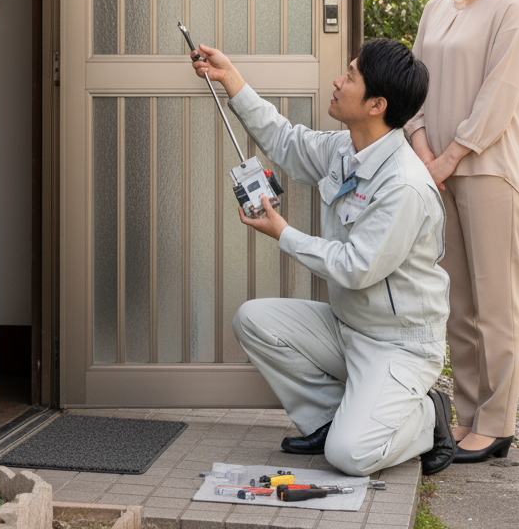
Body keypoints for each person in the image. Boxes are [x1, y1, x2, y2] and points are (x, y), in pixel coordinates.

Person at [189, 38, 457, 478]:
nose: (337, 81)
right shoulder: (344, 149)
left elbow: (355, 267)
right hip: (347, 328)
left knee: (351, 456)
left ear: (376, 105)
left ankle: (429, 415)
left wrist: (283, 233)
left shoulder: (405, 185)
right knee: (253, 320)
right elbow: (284, 140)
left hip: (397, 345)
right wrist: (228, 76)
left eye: (350, 77)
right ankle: (330, 419)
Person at [406, 0, 519, 463]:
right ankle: (466, 416)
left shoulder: (511, 9)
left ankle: (497, 422)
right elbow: (413, 85)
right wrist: (421, 148)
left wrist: (447, 157)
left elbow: (498, 97)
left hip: (487, 172)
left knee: (494, 302)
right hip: (435, 169)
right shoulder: (437, 7)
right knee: (456, 302)